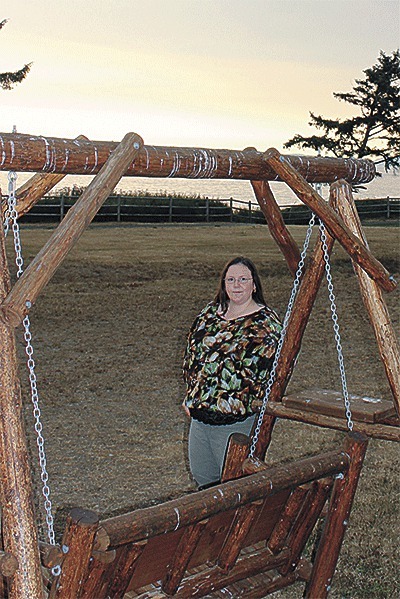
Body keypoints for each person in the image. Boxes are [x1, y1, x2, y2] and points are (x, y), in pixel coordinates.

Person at [182, 256, 282, 489]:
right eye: (231, 279)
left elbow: (271, 373)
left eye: (243, 279)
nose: (236, 285)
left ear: (254, 285)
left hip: (234, 421)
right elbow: (192, 355)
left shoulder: (266, 323)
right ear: (224, 284)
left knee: (232, 485)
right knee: (204, 482)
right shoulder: (209, 313)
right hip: (200, 417)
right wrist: (190, 395)